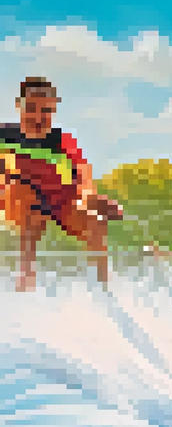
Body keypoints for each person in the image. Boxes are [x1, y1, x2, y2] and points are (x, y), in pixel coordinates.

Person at [1, 77, 123, 291]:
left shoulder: (61, 142)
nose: (38, 117)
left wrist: (91, 199)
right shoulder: (3, 137)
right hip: (18, 202)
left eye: (46, 111)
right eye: (31, 109)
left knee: (95, 220)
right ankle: (25, 279)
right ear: (18, 106)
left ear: (54, 110)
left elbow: (84, 176)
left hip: (59, 203)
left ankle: (104, 287)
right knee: (25, 197)